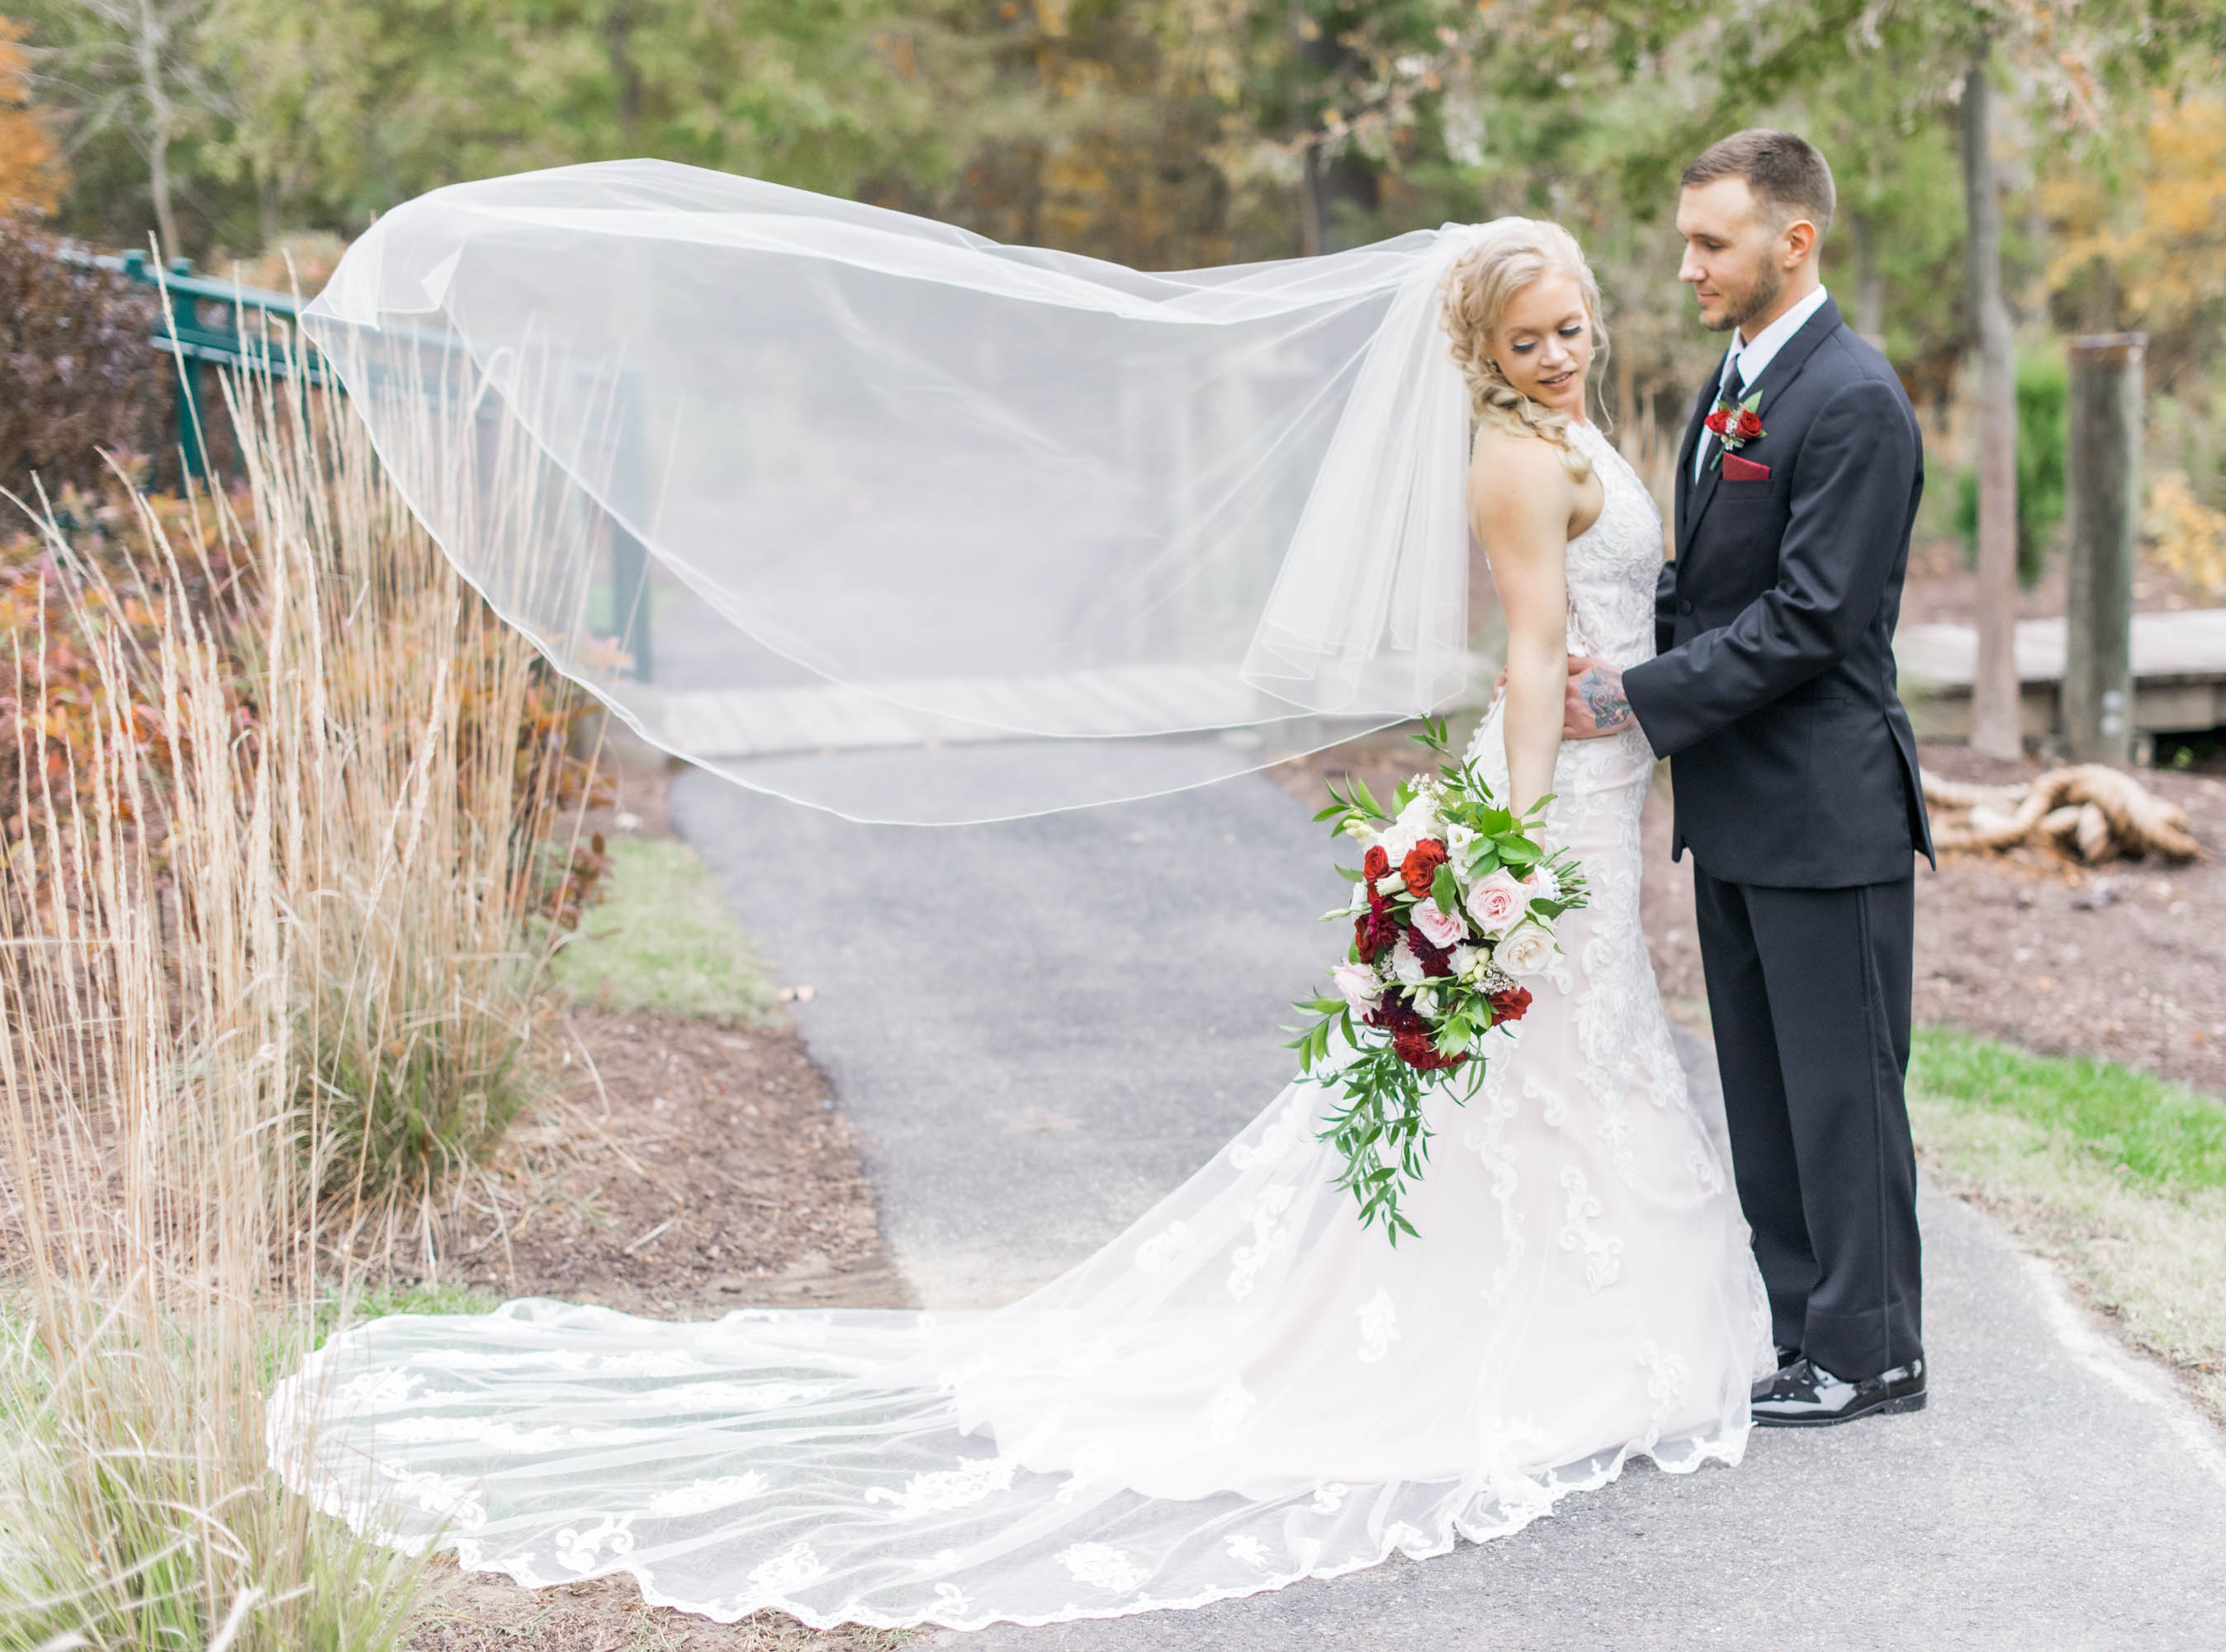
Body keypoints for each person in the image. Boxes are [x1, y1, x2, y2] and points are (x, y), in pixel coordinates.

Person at [272, 214, 1773, 1634]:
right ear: (1479, 354)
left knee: (1558, 1064)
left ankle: (1549, 1317)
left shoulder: (1566, 433)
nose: (1562, 354)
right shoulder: (1512, 464)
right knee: (1535, 1062)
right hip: (1551, 795)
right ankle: (1508, 1339)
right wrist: (1506, 842)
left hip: (1598, 774)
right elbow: (1524, 657)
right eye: (1528, 342)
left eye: (1574, 327)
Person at [1556, 130, 1937, 1427]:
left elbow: (1810, 617)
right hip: (1734, 806)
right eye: (1685, 240)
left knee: (1842, 1094)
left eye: (1710, 241)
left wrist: (1629, 693)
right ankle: (1802, 1334)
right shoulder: (1739, 379)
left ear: (1794, 240)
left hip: (1828, 809)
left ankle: (1873, 1350)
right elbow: (1714, 585)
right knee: (1767, 1094)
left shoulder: (1855, 400)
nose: (1686, 266)